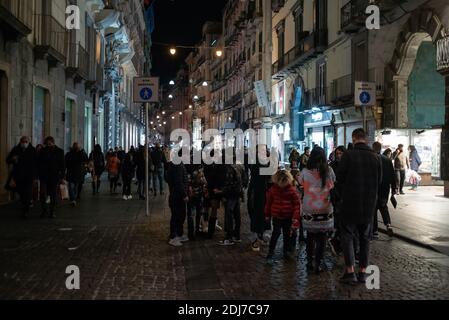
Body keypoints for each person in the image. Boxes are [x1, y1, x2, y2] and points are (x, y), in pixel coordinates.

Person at [337, 129, 382, 284]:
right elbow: (379, 181)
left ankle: (350, 272)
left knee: (348, 236)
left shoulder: (348, 155)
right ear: (366, 139)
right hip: (369, 205)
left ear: (353, 138)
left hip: (350, 203)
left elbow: (339, 179)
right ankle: (363, 272)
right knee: (365, 239)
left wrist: (341, 197)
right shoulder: (375, 158)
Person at [298, 147, 336, 273]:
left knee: (310, 236)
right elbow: (332, 185)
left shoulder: (305, 171)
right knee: (322, 237)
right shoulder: (329, 170)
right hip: (325, 207)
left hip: (310, 207)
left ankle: (309, 262)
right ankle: (319, 263)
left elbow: (300, 183)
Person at [265, 170, 300, 261]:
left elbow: (297, 205)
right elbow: (268, 203)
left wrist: (295, 218)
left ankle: (285, 252)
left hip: (288, 216)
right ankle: (271, 252)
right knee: (276, 233)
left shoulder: (292, 190)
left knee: (286, 235)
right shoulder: (273, 190)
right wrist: (267, 215)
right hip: (277, 216)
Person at [218, 151, 248, 246]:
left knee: (229, 214)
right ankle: (237, 236)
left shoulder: (229, 167)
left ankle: (229, 237)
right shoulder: (240, 165)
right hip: (238, 193)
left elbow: (229, 183)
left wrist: (221, 193)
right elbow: (245, 180)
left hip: (231, 194)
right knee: (237, 214)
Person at [6, 136, 37, 217]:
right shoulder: (16, 149)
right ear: (20, 142)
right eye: (23, 141)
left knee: (28, 192)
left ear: (29, 142)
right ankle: (24, 205)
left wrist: (35, 176)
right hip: (18, 175)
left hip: (29, 176)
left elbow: (36, 163)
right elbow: (8, 160)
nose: (24, 143)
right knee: (21, 192)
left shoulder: (32, 150)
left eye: (26, 142)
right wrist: (13, 159)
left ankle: (25, 210)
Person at [247, 146, 271, 251]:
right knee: (256, 214)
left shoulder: (265, 161)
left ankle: (261, 235)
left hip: (265, 192)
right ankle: (255, 238)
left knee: (264, 213)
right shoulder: (255, 163)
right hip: (256, 191)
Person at [166, 148, 189, 247]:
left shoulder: (177, 164)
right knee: (176, 216)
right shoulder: (177, 165)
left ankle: (179, 234)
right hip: (177, 196)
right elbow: (178, 182)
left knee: (181, 215)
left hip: (177, 195)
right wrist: (184, 194)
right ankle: (173, 237)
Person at [372, 142, 396, 238]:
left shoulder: (372, 159)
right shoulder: (387, 160)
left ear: (373, 148)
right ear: (380, 148)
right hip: (385, 189)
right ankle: (388, 225)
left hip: (374, 189)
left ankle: (375, 231)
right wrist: (394, 189)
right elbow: (392, 175)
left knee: (373, 210)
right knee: (383, 207)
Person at [37, 136, 65, 218]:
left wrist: (62, 176)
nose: (49, 145)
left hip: (54, 176)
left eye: (50, 143)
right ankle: (44, 210)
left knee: (53, 194)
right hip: (44, 176)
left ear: (53, 142)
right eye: (47, 143)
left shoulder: (59, 151)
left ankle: (52, 211)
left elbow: (62, 165)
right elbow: (38, 163)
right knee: (42, 193)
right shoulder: (42, 151)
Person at [329, 145, 347, 255]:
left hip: (345, 196)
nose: (339, 155)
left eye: (341, 153)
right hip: (335, 196)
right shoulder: (332, 165)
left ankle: (339, 241)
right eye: (337, 153)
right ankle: (336, 240)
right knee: (337, 220)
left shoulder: (348, 165)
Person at [65, 142, 88, 207]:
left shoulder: (81, 154)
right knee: (71, 186)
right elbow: (66, 162)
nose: (76, 147)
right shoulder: (69, 154)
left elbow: (85, 159)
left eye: (77, 146)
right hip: (71, 172)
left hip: (77, 173)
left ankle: (73, 199)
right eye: (75, 146)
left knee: (75, 187)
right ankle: (73, 199)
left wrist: (81, 151)